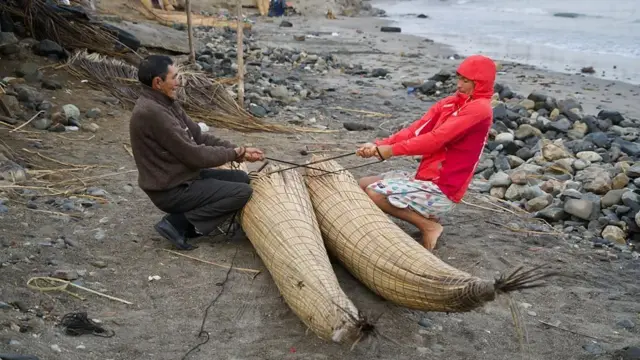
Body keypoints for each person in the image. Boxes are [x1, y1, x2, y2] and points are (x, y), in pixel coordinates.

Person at [356, 54, 496, 251]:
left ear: (480, 83)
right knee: (363, 184)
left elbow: (436, 139)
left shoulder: (480, 110)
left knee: (375, 194)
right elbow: (415, 130)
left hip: (444, 188)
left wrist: (391, 151)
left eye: (466, 81)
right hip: (425, 178)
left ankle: (429, 225)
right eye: (459, 78)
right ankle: (424, 215)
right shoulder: (450, 103)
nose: (458, 84)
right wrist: (377, 144)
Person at [129, 55, 264, 251]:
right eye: (174, 77)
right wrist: (235, 153)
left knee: (241, 178)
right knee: (242, 193)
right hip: (171, 189)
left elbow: (199, 136)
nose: (178, 82)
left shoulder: (166, 103)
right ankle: (177, 224)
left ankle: (192, 222)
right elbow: (196, 156)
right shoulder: (152, 113)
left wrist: (240, 151)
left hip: (185, 177)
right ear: (158, 82)